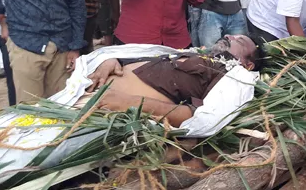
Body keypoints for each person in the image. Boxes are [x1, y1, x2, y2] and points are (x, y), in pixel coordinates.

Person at [83, 34, 261, 127]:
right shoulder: (195, 53)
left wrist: (129, 103)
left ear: (248, 65)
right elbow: (146, 57)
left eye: (240, 41)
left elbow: (197, 117)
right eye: (231, 35)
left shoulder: (231, 76)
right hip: (87, 91)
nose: (229, 36)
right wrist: (112, 60)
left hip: (103, 112)